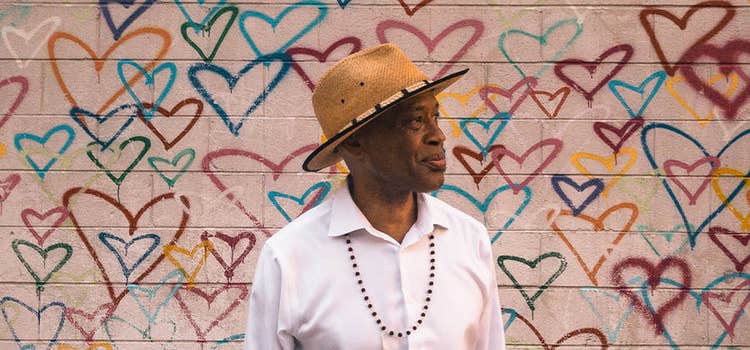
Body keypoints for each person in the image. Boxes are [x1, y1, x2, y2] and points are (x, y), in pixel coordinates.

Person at [244, 43, 505, 349]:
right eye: (415, 121)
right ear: (355, 143)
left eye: (436, 117)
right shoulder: (289, 257)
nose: (438, 135)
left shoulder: (469, 241)